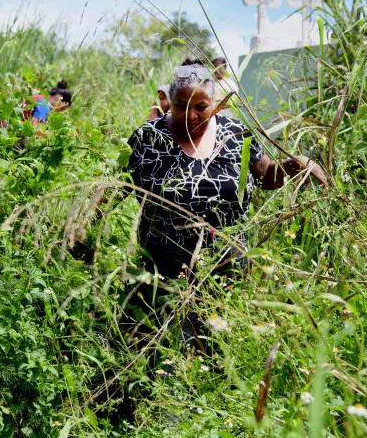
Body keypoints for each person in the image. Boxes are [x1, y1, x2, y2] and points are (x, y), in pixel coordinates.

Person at [122, 61, 326, 347]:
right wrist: (83, 228)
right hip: (165, 279)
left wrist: (296, 165)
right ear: (169, 100)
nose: (191, 116)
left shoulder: (235, 134)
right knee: (168, 357)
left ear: (215, 103)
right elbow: (114, 188)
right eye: (181, 106)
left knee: (223, 357)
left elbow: (265, 174)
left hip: (226, 274)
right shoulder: (148, 137)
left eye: (201, 107)